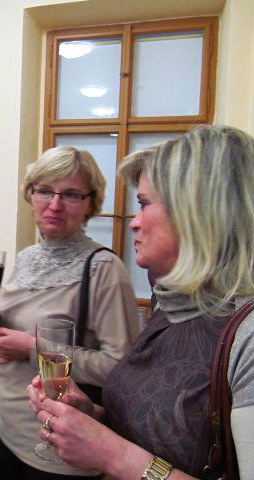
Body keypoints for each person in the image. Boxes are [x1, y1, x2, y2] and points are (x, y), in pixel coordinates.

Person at [28, 125, 254, 478]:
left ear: (199, 213)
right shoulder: (170, 305)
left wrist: (110, 453)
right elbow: (156, 428)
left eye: (144, 204)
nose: (134, 223)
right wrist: (91, 418)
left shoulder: (248, 337)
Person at [0, 146, 141, 479]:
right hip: (8, 427)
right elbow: (15, 330)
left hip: (60, 447)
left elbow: (120, 369)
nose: (55, 204)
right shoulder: (26, 258)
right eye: (45, 191)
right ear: (30, 194)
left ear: (91, 203)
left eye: (71, 194)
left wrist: (31, 348)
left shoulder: (104, 269)